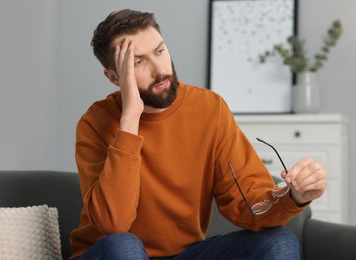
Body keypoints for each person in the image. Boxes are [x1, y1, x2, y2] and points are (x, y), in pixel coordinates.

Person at [69, 9, 327, 260]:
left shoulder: (209, 109)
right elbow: (114, 224)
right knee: (124, 246)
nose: (159, 69)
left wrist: (294, 196)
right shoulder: (95, 123)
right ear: (114, 77)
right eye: (138, 62)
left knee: (278, 243)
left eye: (160, 51)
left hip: (186, 253)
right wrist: (130, 118)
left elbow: (246, 202)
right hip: (113, 254)